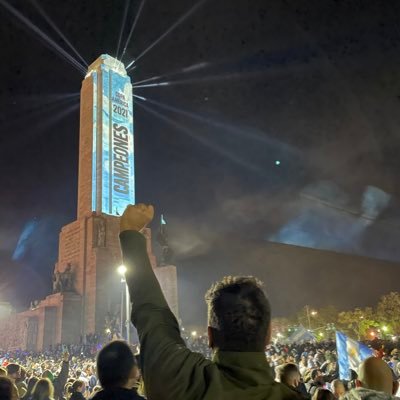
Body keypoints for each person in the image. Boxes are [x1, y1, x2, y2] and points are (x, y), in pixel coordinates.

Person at [119, 203, 302, 400]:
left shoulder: (184, 384)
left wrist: (130, 233)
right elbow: (153, 314)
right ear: (268, 335)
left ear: (210, 336)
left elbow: (153, 314)